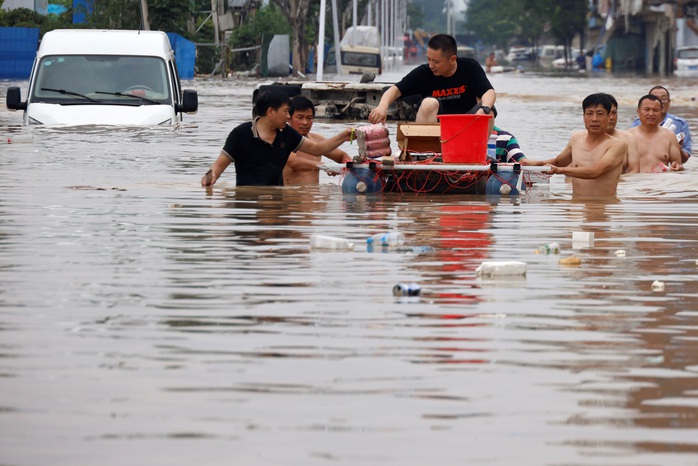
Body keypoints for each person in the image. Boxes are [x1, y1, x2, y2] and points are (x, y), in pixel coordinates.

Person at [201, 91, 353, 187]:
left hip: (277, 199)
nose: (288, 117)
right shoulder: (240, 134)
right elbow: (218, 166)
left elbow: (317, 148)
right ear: (271, 112)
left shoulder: (287, 134)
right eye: (286, 112)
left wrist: (343, 136)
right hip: (247, 202)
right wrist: (210, 176)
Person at [368, 34, 496, 125]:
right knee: (429, 103)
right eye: (428, 59)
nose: (431, 65)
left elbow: (489, 92)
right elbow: (395, 90)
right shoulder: (424, 72)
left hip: (466, 123)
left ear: (452, 59)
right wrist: (382, 106)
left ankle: (476, 151)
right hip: (435, 125)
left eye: (436, 61)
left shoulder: (470, 66)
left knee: (489, 110)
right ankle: (424, 151)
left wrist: (483, 110)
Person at [522, 93, 626, 197]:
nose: (594, 119)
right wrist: (535, 164)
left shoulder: (617, 145)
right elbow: (559, 162)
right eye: (589, 113)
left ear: (609, 117)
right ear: (583, 117)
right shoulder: (576, 139)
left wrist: (559, 170)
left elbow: (596, 172)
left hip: (602, 206)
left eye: (600, 114)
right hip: (576, 205)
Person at [283, 96, 352, 186]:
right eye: (300, 117)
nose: (305, 123)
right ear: (289, 118)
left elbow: (342, 156)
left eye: (309, 118)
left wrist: (350, 168)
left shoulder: (317, 140)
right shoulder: (282, 140)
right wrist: (326, 167)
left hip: (315, 197)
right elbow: (295, 163)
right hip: (292, 198)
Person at [630, 85, 692, 162]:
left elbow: (683, 160)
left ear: (669, 102)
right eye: (655, 98)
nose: (660, 101)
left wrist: (677, 147)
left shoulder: (680, 124)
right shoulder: (637, 123)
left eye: (663, 99)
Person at [627, 94, 683, 173]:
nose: (651, 113)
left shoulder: (669, 136)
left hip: (660, 183)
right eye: (647, 109)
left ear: (661, 113)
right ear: (638, 112)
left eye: (655, 110)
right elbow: (618, 168)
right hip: (636, 183)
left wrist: (678, 167)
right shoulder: (628, 136)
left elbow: (678, 166)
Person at [605, 94, 640, 173]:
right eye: (607, 113)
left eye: (614, 113)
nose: (611, 117)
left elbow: (634, 170)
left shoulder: (628, 139)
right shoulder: (580, 139)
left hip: (621, 184)